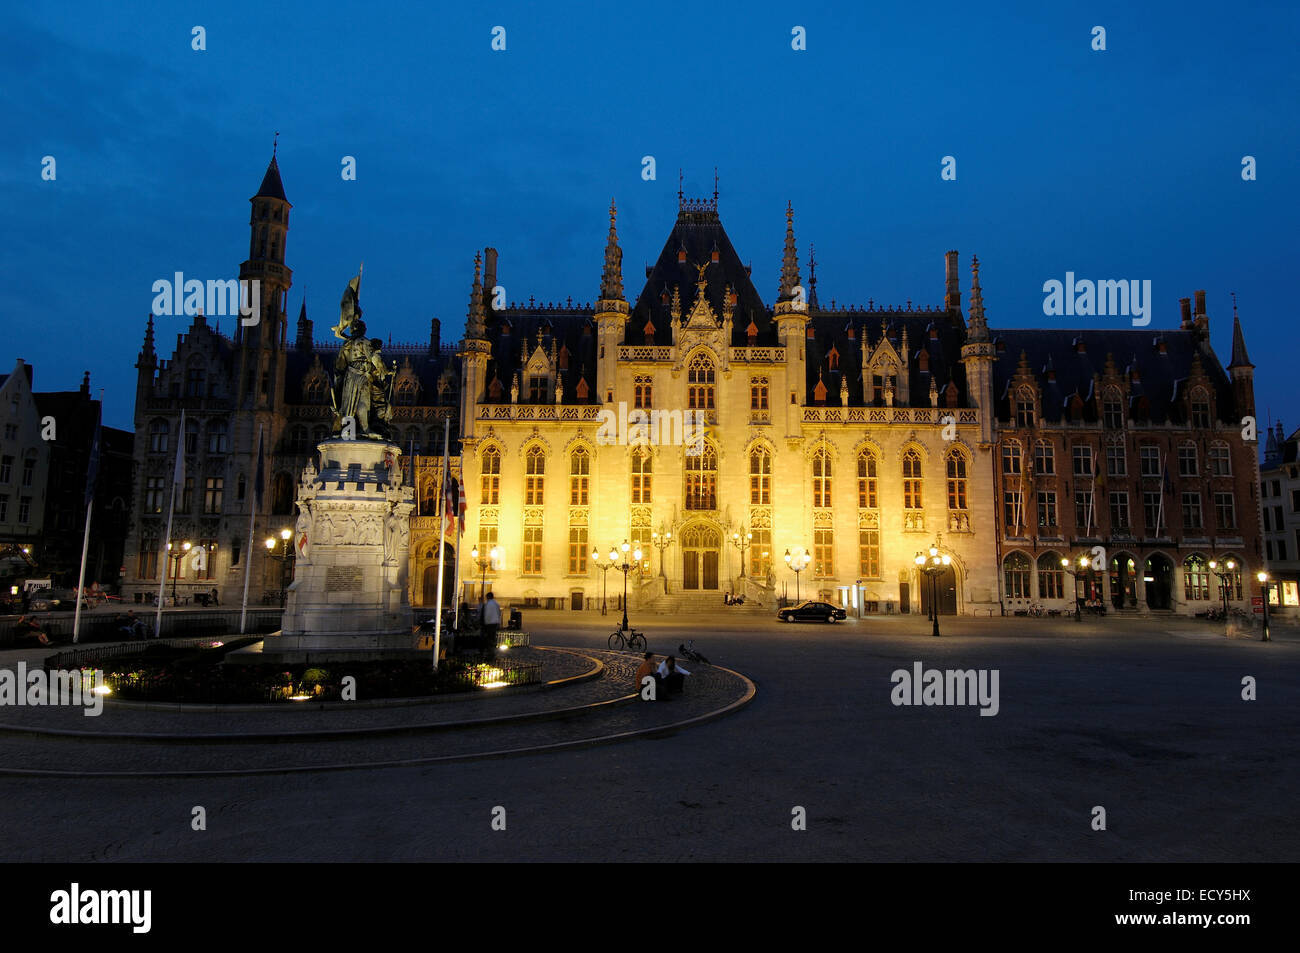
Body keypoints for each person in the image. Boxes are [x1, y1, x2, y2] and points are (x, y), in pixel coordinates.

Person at [481, 593, 502, 657]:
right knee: (493, 637)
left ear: (488, 597)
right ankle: (492, 651)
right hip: (495, 623)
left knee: (488, 638)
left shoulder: (487, 604)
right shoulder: (496, 603)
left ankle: (489, 652)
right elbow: (499, 613)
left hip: (489, 623)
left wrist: (484, 623)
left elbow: (486, 615)